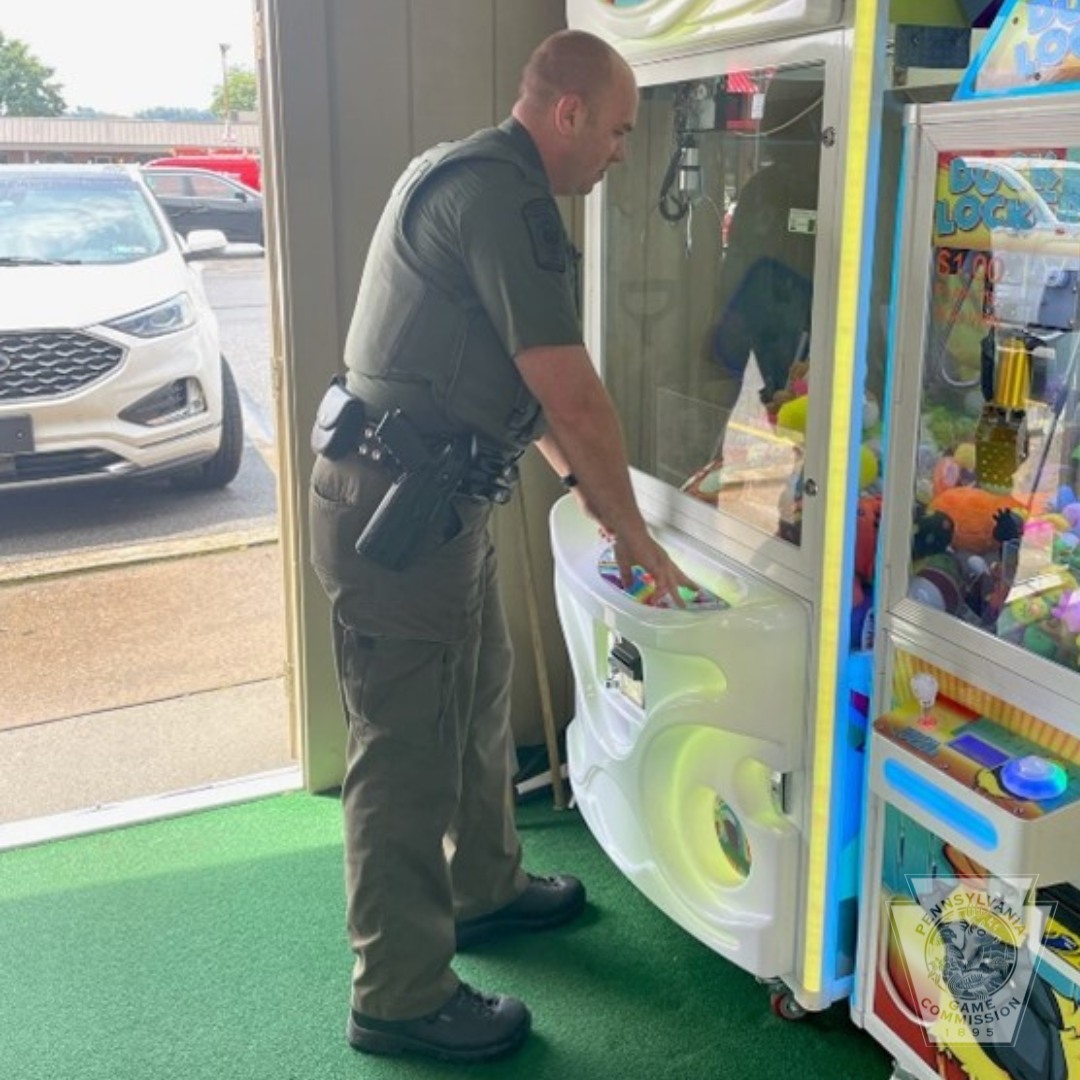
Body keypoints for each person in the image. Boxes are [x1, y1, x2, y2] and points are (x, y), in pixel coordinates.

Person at [308, 28, 694, 1065]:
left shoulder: (469, 173)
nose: (620, 154)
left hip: (435, 500)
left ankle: (483, 885)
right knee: (406, 745)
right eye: (615, 131)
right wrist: (632, 529)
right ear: (566, 111)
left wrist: (582, 489)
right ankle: (397, 991)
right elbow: (568, 386)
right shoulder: (504, 198)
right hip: (400, 512)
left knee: (476, 695)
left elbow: (516, 390)